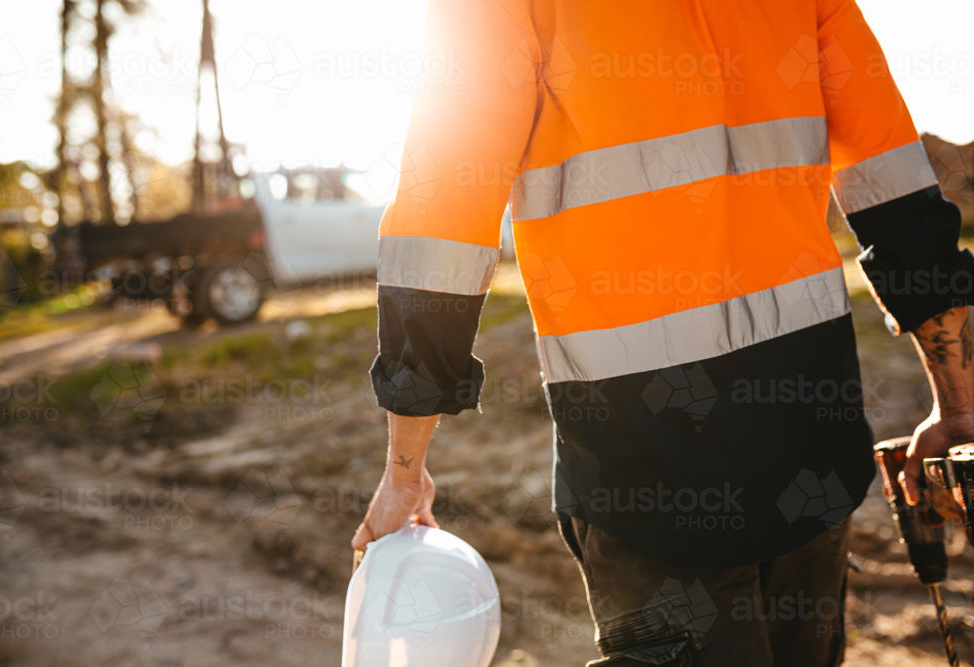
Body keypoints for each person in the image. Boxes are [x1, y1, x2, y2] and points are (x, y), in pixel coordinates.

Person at [351, 0, 974, 664]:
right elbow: (896, 190)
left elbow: (445, 210)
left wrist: (405, 470)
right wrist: (958, 399)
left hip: (647, 465)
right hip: (809, 446)